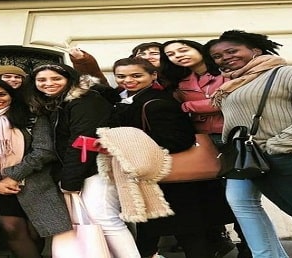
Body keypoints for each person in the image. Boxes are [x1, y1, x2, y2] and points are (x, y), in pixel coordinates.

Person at [206, 30, 292, 258]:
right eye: (217, 56)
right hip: (268, 160)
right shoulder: (236, 84)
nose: (224, 58)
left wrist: (277, 145)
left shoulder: (291, 74)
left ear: (256, 50)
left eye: (232, 51)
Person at [111, 57, 235, 258]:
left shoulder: (157, 103)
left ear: (153, 75)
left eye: (136, 75)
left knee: (188, 234)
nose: (128, 80)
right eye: (121, 76)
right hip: (159, 178)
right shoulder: (126, 99)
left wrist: (132, 145)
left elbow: (178, 140)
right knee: (166, 232)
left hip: (174, 179)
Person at [27, 63, 140, 257]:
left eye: (56, 78)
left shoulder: (85, 101)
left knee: (105, 219)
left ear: (69, 79)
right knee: (99, 220)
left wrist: (70, 180)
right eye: (42, 80)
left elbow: (83, 142)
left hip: (98, 168)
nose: (48, 83)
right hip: (86, 169)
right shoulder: (59, 102)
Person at [160, 40, 258, 258]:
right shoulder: (181, 82)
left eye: (183, 50)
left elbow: (228, 101)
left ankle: (249, 246)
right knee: (217, 198)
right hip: (205, 143)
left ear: (199, 49)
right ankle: (222, 242)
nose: (178, 55)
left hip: (234, 138)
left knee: (242, 198)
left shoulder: (227, 73)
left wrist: (188, 106)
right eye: (171, 54)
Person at [0, 78, 72, 258]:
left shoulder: (32, 117)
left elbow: (44, 150)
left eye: (1, 94)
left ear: (11, 95)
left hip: (34, 184)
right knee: (12, 230)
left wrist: (14, 176)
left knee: (35, 232)